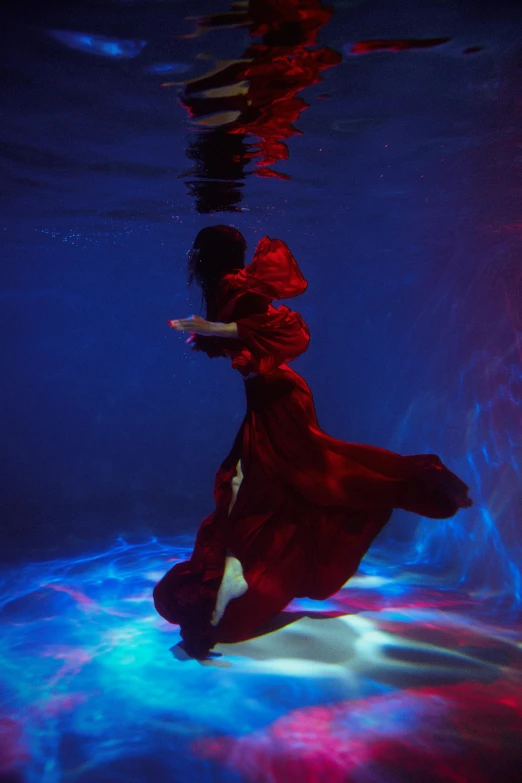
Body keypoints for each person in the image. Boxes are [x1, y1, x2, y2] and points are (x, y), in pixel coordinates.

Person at [153, 225, 472, 659]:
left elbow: (287, 335)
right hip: (268, 397)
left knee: (317, 476)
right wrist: (210, 337)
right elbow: (245, 334)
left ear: (205, 254)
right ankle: (419, 481)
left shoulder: (231, 283)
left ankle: (421, 482)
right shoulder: (227, 286)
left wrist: (214, 329)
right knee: (270, 481)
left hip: (278, 398)